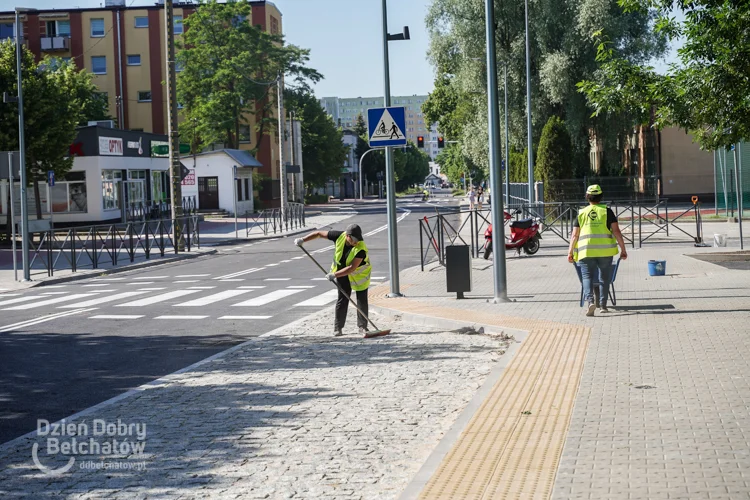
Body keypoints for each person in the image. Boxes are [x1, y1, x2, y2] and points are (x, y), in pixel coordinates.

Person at [295, 224, 372, 336]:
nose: (356, 242)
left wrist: (334, 274)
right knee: (343, 298)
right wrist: (303, 240)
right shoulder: (339, 236)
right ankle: (338, 328)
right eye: (354, 240)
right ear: (348, 236)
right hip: (341, 273)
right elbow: (318, 234)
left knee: (361, 299)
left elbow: (351, 268)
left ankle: (363, 327)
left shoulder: (361, 249)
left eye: (358, 240)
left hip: (359, 275)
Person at [568, 185, 628, 316]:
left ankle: (590, 302)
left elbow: (575, 235)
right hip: (605, 252)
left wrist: (570, 252)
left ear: (587, 197)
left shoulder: (582, 213)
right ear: (601, 197)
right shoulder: (607, 212)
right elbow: (617, 231)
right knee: (604, 278)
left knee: (587, 277)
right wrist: (623, 249)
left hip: (586, 251)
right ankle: (603, 306)